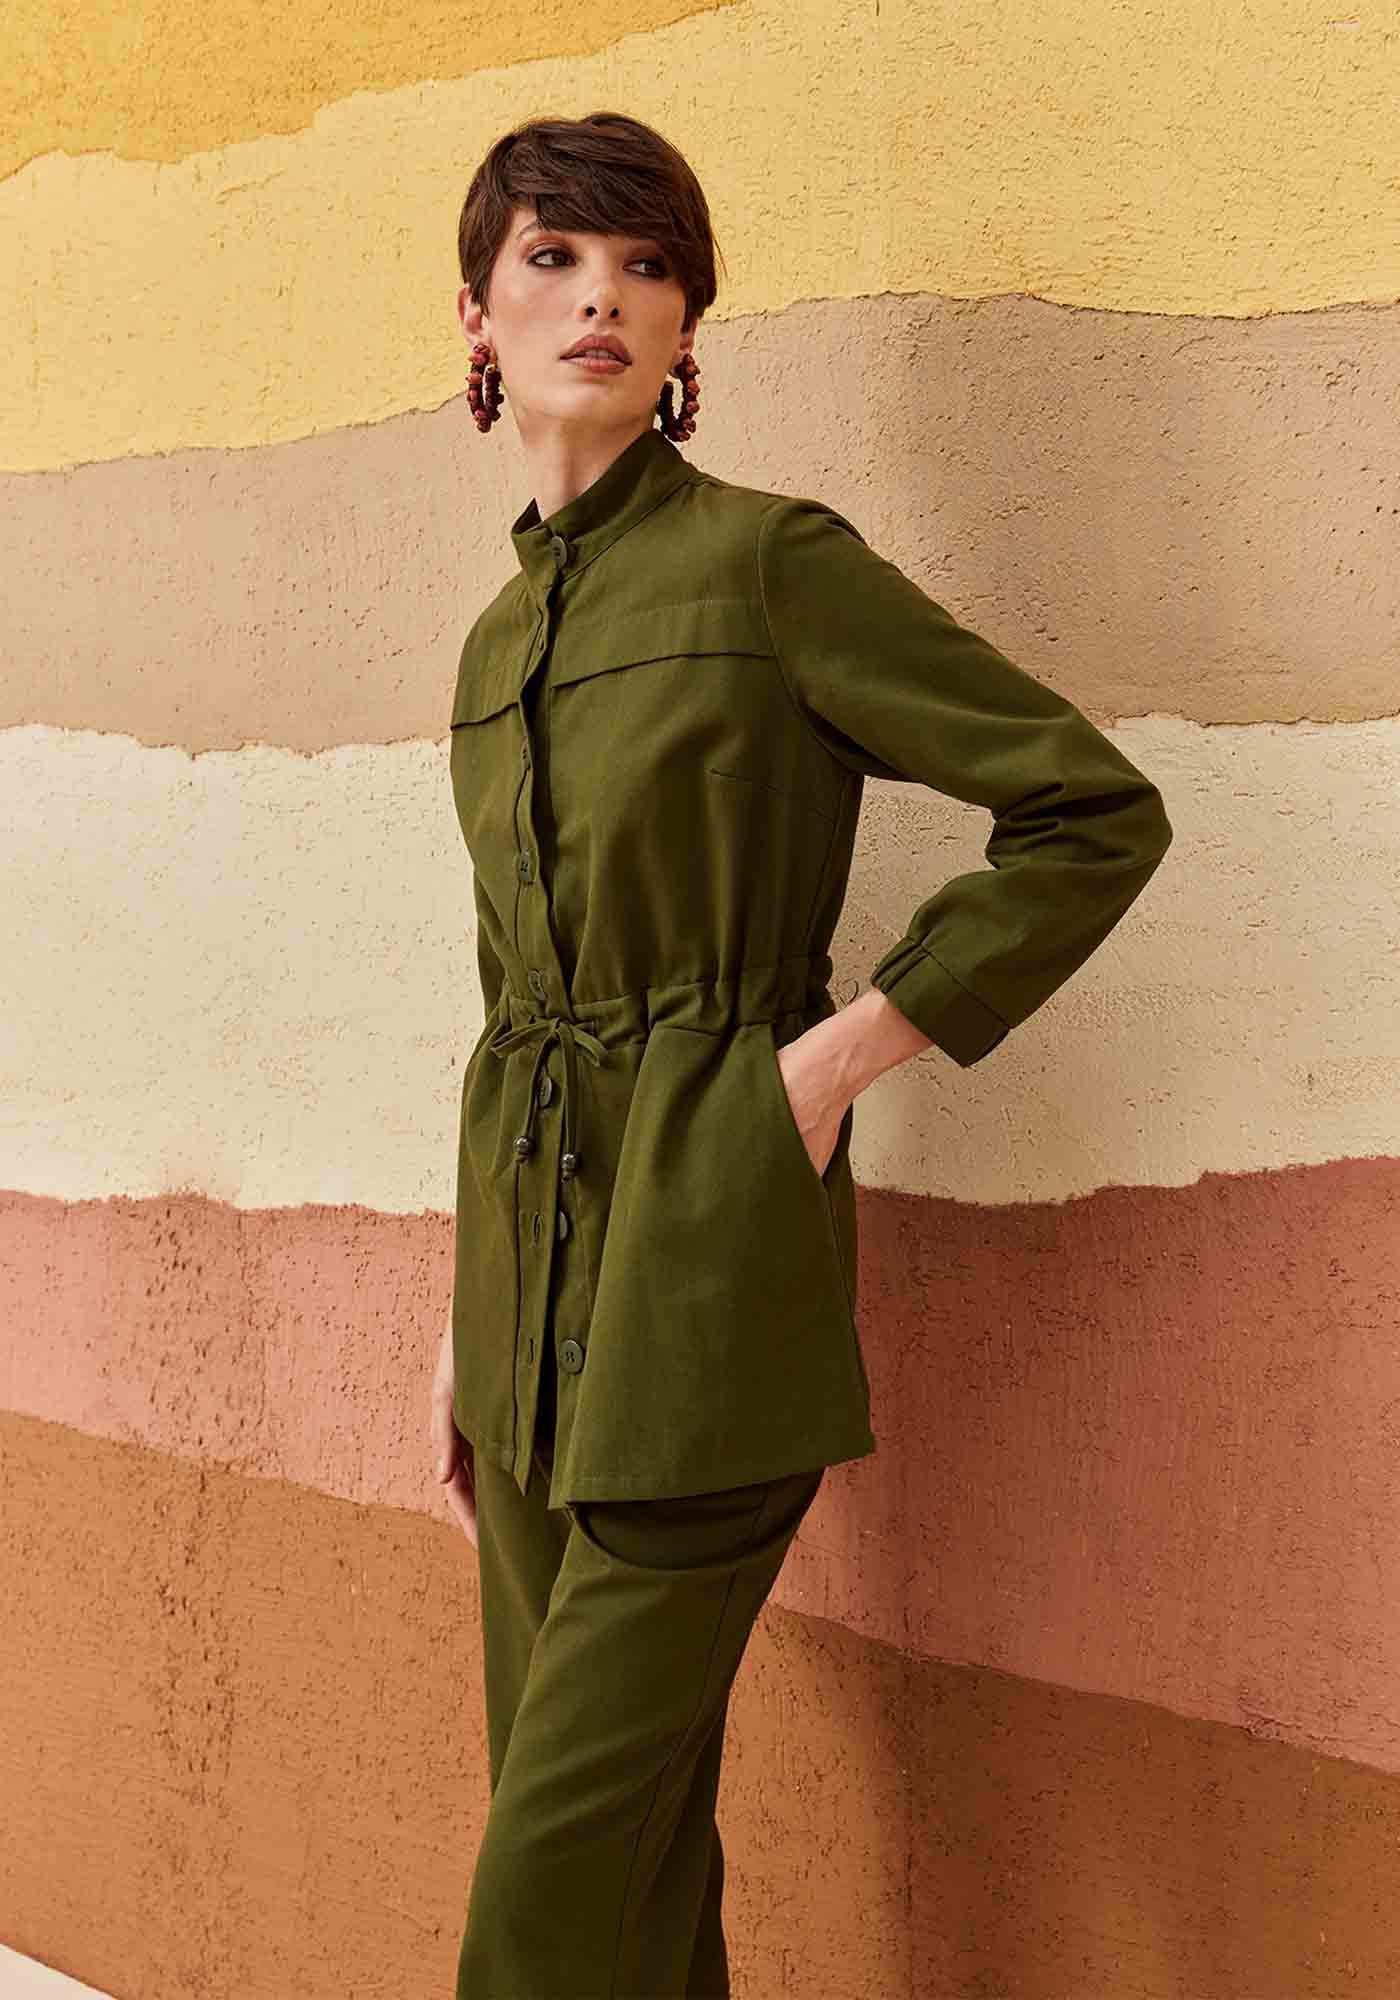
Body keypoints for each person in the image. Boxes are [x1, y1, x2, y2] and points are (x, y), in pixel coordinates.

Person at [430, 110, 1173, 1999]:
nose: (602, 297)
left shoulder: (771, 566)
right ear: (478, 317)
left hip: (708, 1254)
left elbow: (1088, 811)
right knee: (625, 1866)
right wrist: (465, 1314)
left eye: (648, 266)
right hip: (519, 1311)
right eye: (553, 259)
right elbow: (516, 991)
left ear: (688, 331)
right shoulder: (496, 642)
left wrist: (824, 1069)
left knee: (542, 1906)